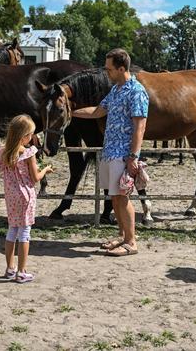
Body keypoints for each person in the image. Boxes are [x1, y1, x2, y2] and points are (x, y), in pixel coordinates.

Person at [72, 48, 149, 257]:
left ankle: (131, 242)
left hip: (123, 153)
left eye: (109, 69)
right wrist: (71, 112)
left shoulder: (136, 91)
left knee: (122, 197)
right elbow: (98, 111)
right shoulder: (116, 89)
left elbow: (140, 126)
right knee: (114, 197)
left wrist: (133, 156)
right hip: (110, 151)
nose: (106, 72)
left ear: (121, 68)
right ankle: (123, 236)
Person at [0, 115, 53, 283]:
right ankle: (21, 271)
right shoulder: (29, 153)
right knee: (25, 233)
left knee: (12, 229)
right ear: (23, 136)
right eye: (31, 134)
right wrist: (46, 170)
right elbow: (35, 177)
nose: (32, 137)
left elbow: (2, 170)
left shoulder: (2, 152)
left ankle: (10, 268)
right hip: (25, 195)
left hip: (11, 195)